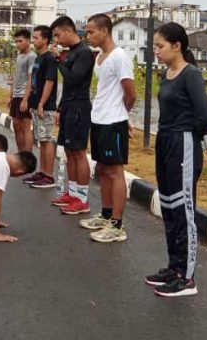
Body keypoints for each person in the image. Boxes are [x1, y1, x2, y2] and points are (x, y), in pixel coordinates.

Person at [144, 22, 207, 298]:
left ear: (177, 46)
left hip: (183, 144)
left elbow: (205, 117)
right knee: (170, 208)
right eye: (155, 47)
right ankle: (174, 268)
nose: (156, 51)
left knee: (184, 211)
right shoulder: (167, 74)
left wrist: (188, 135)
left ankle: (187, 279)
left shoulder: (190, 75)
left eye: (160, 46)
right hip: (165, 143)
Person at [81, 14, 136, 243]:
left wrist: (122, 116)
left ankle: (116, 225)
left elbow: (130, 93)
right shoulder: (100, 57)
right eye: (87, 32)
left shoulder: (119, 56)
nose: (89, 36)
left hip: (114, 122)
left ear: (105, 31)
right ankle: (105, 215)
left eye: (92, 31)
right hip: (99, 120)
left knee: (115, 172)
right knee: (102, 169)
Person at [48, 16, 94, 215]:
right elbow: (66, 86)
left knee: (78, 152)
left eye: (58, 34)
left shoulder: (84, 53)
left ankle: (82, 199)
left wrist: (59, 58)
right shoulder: (72, 53)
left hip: (79, 107)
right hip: (68, 106)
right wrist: (59, 108)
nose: (57, 39)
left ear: (68, 31)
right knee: (68, 151)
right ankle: (73, 192)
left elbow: (73, 79)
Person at [23, 25, 59, 189]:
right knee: (41, 140)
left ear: (45, 39)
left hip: (45, 106)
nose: (34, 40)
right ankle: (43, 172)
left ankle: (49, 175)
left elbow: (50, 82)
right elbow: (34, 81)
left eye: (37, 37)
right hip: (36, 105)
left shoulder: (50, 59)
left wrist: (41, 104)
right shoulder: (39, 58)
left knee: (46, 140)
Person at [7, 29, 36, 152]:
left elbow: (31, 79)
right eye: (16, 41)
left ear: (28, 41)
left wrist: (25, 99)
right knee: (16, 125)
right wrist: (11, 95)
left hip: (25, 95)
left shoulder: (32, 56)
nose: (18, 44)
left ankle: (27, 156)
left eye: (20, 41)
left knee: (25, 126)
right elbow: (15, 77)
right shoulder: (19, 57)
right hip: (16, 96)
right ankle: (21, 153)